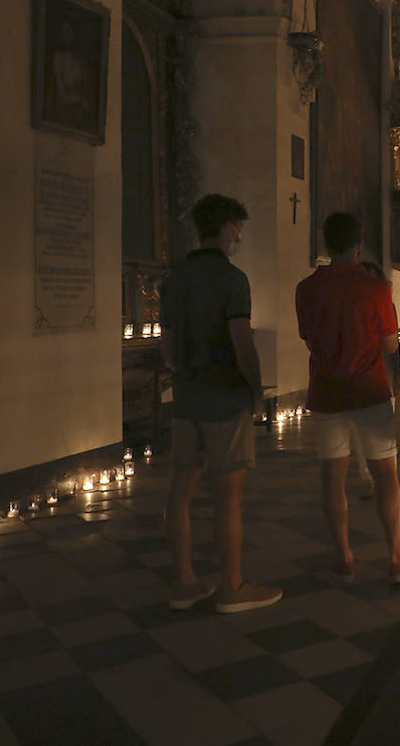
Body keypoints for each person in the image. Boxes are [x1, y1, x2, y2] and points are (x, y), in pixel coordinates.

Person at [296, 212, 400, 584]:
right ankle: (397, 558)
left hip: (326, 393)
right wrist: (397, 378)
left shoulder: (306, 288)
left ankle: (343, 558)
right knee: (386, 476)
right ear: (358, 246)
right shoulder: (374, 289)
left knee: (332, 478)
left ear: (327, 245)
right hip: (370, 391)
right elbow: (390, 343)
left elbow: (307, 338)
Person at [160, 194, 280, 614]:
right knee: (228, 495)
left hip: (186, 399)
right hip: (225, 399)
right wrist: (257, 388)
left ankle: (184, 583)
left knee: (181, 491)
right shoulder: (232, 280)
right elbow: (242, 343)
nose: (240, 235)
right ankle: (232, 586)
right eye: (239, 227)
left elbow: (169, 352)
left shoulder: (174, 280)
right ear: (228, 227)